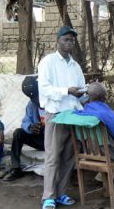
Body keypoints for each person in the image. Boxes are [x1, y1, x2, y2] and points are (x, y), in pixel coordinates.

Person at [38, 25, 86, 209]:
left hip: (73, 115)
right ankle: (48, 197)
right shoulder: (48, 62)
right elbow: (45, 89)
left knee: (68, 157)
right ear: (57, 41)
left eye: (72, 40)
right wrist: (67, 91)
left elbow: (80, 90)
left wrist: (86, 92)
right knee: (52, 157)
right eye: (66, 39)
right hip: (56, 115)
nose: (69, 42)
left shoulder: (75, 66)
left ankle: (61, 193)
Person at [3, 76, 45, 181]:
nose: (37, 101)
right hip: (41, 141)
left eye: (37, 96)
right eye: (33, 98)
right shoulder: (31, 104)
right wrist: (31, 127)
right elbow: (25, 122)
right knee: (18, 133)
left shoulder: (53, 102)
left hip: (55, 140)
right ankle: (16, 168)